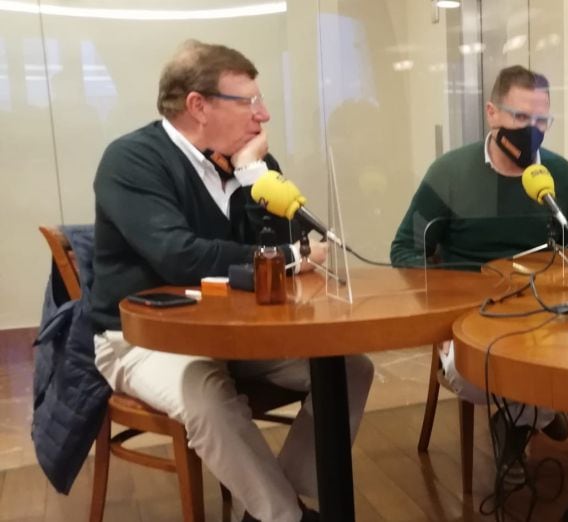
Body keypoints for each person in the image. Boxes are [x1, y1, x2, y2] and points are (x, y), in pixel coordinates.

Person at [89, 40, 374, 522]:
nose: (262, 117)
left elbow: (288, 250)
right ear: (197, 105)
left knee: (350, 368)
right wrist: (289, 256)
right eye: (249, 102)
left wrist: (250, 177)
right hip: (145, 340)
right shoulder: (130, 161)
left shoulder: (254, 167)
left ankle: (279, 501)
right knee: (204, 387)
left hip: (239, 333)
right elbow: (180, 256)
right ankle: (286, 516)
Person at [390, 65, 568, 461]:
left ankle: (519, 420)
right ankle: (535, 414)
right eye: (520, 117)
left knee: (558, 366)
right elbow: (404, 249)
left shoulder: (562, 177)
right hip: (468, 319)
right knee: (483, 374)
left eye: (541, 120)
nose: (530, 129)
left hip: (543, 320)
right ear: (492, 113)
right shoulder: (449, 173)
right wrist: (442, 312)